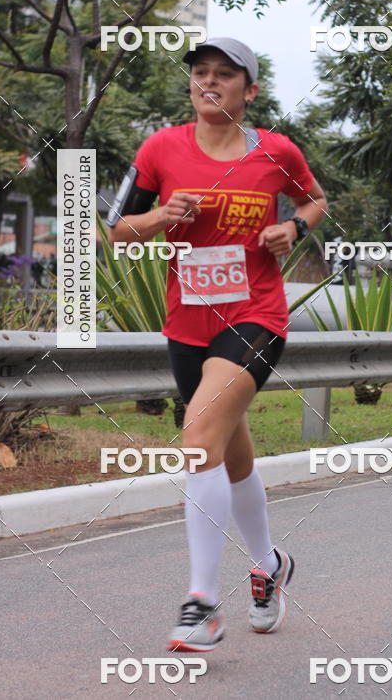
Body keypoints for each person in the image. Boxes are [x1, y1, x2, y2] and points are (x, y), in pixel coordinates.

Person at [107, 37, 328, 652]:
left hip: (256, 317)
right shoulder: (160, 148)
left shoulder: (274, 150)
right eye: (200, 73)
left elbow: (314, 200)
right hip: (188, 324)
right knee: (227, 450)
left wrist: (292, 226)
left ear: (248, 91)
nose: (209, 83)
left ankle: (200, 602)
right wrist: (160, 219)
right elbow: (116, 231)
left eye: (224, 76)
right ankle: (269, 564)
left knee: (199, 432)